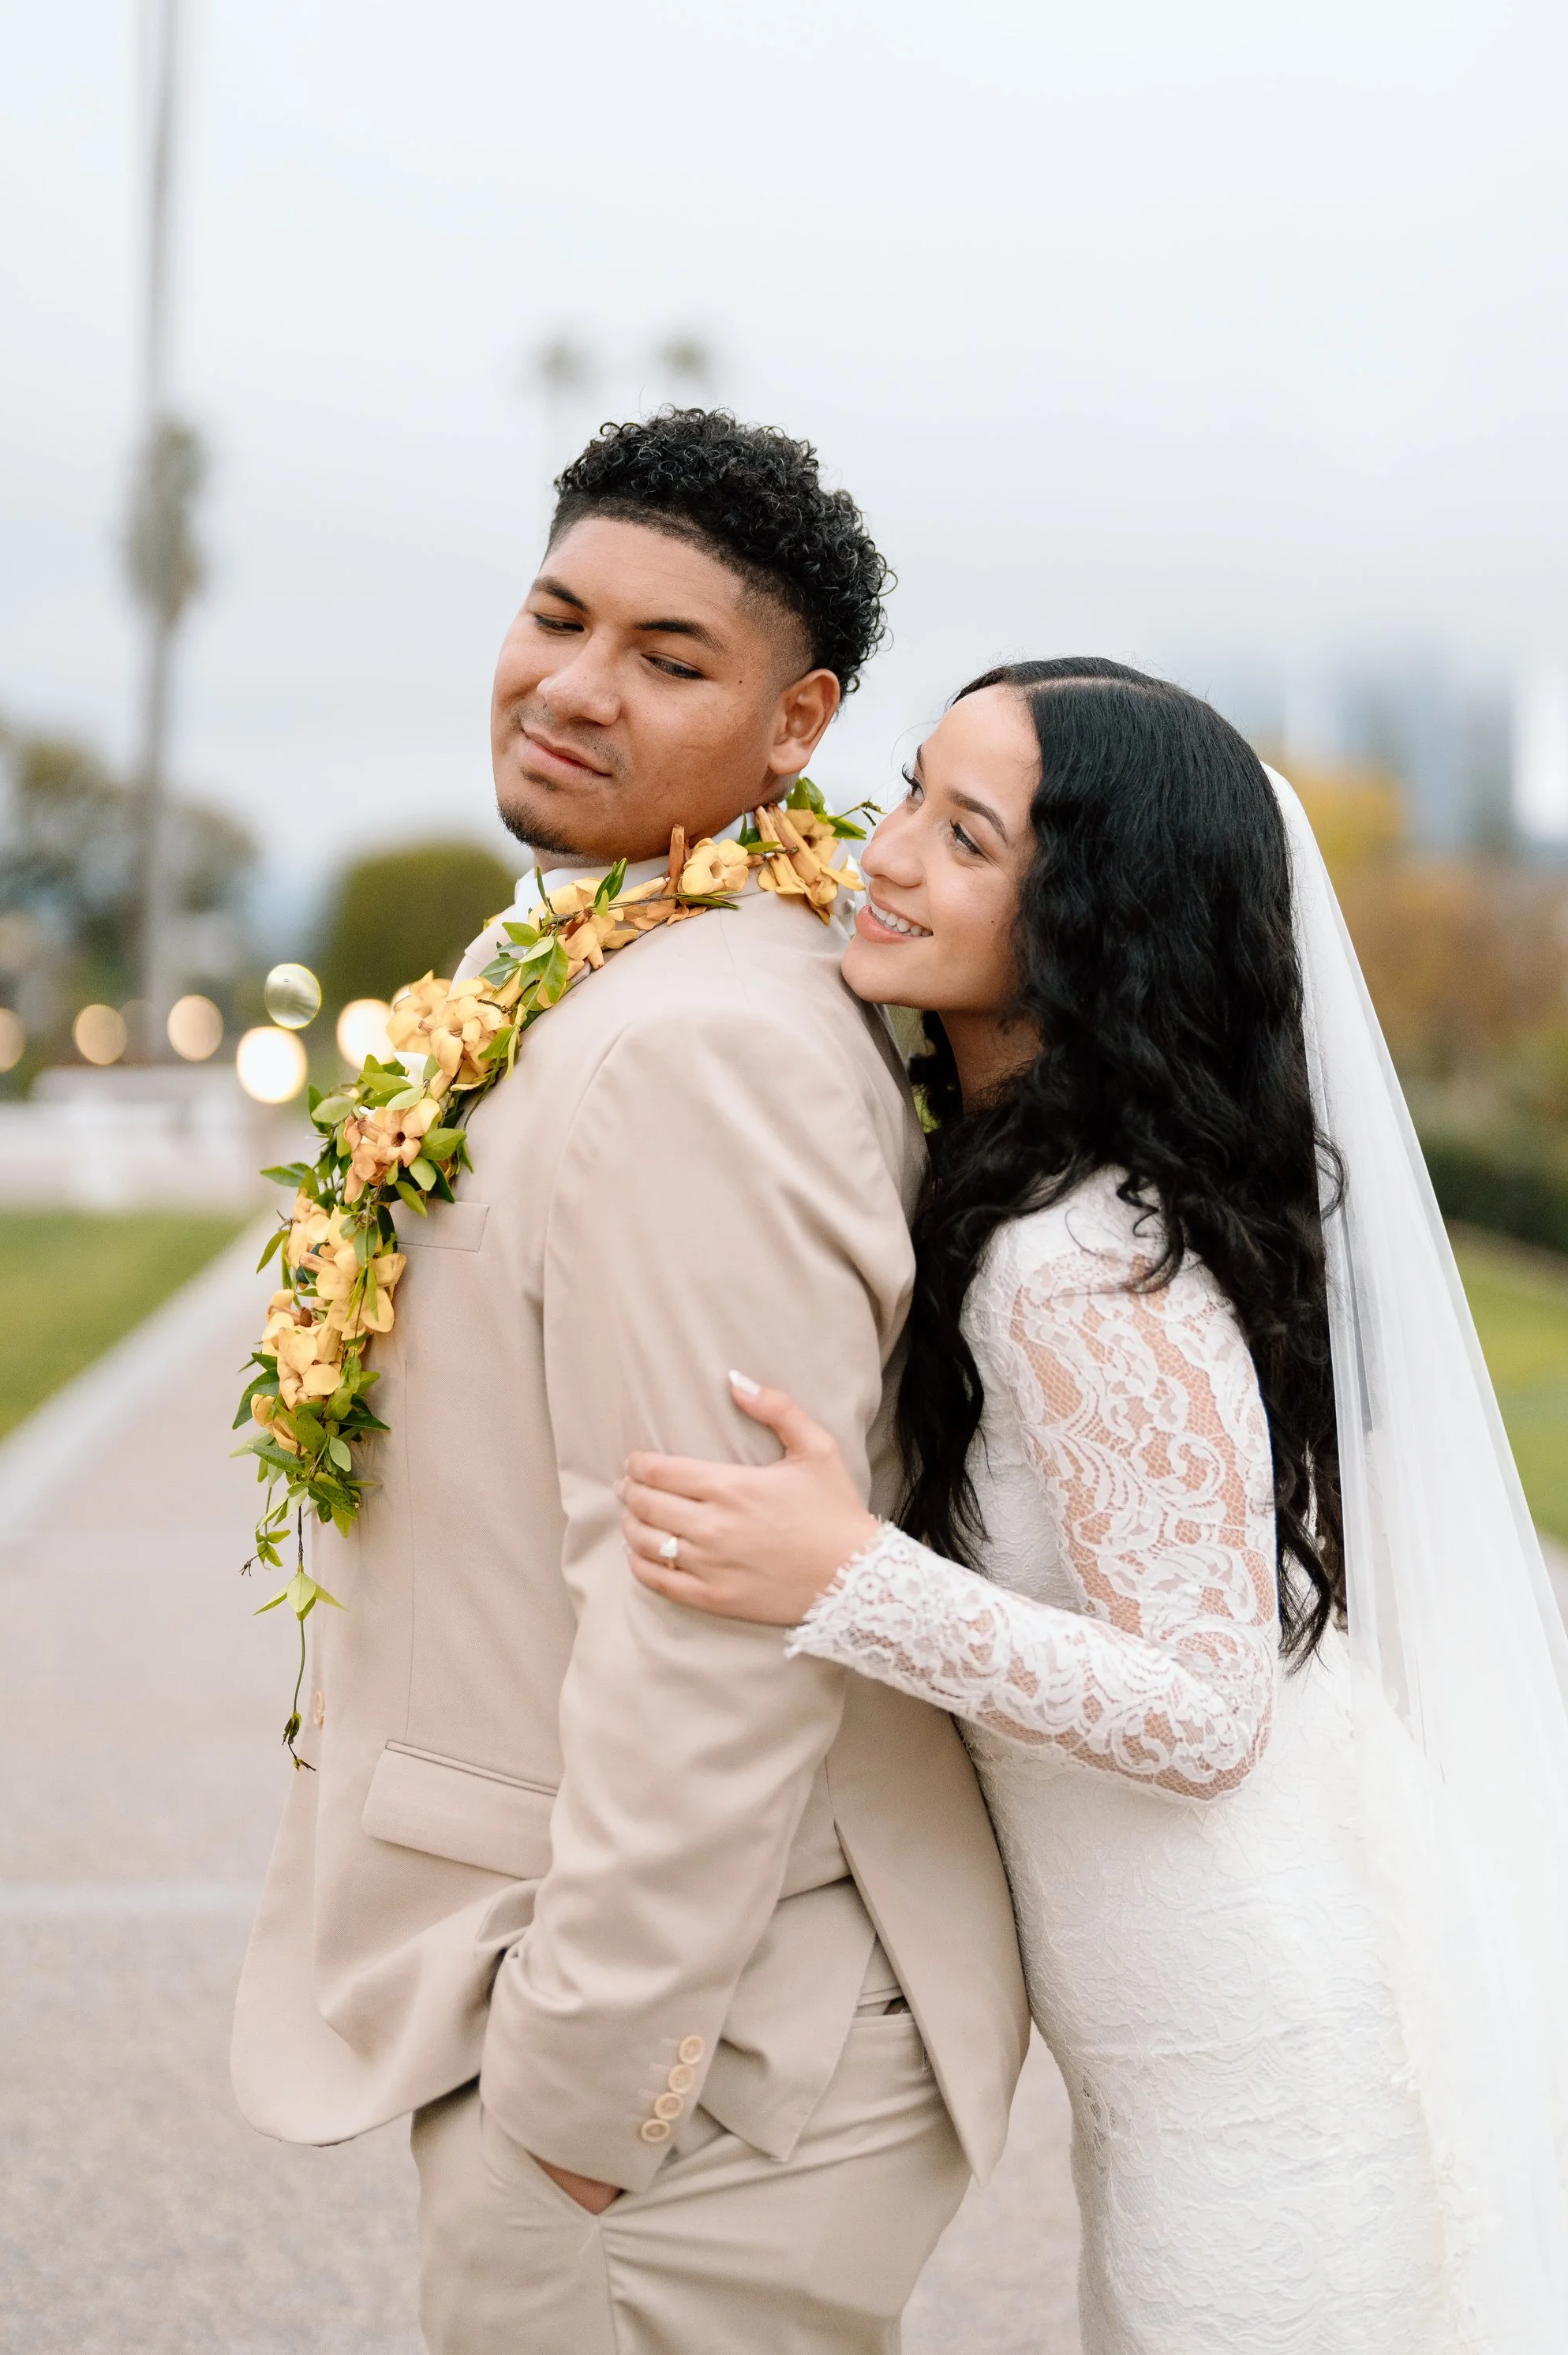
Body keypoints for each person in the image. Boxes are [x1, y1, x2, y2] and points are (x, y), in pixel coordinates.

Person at [620, 661, 1568, 2355]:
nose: (880, 855)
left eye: (961, 839)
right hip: (1192, 2054)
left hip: (1271, 2065)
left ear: (1094, 920)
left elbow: (1203, 1710)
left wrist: (845, 1576)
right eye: (908, 798)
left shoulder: (1077, 1262)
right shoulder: (1033, 1197)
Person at [231, 412, 1028, 2355]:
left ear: (796, 725)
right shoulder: (636, 955)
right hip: (695, 2026)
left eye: (670, 661)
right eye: (555, 615)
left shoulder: (704, 1050)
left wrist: (582, 2109)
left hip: (709, 2072)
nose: (574, 688)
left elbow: (718, 1611)